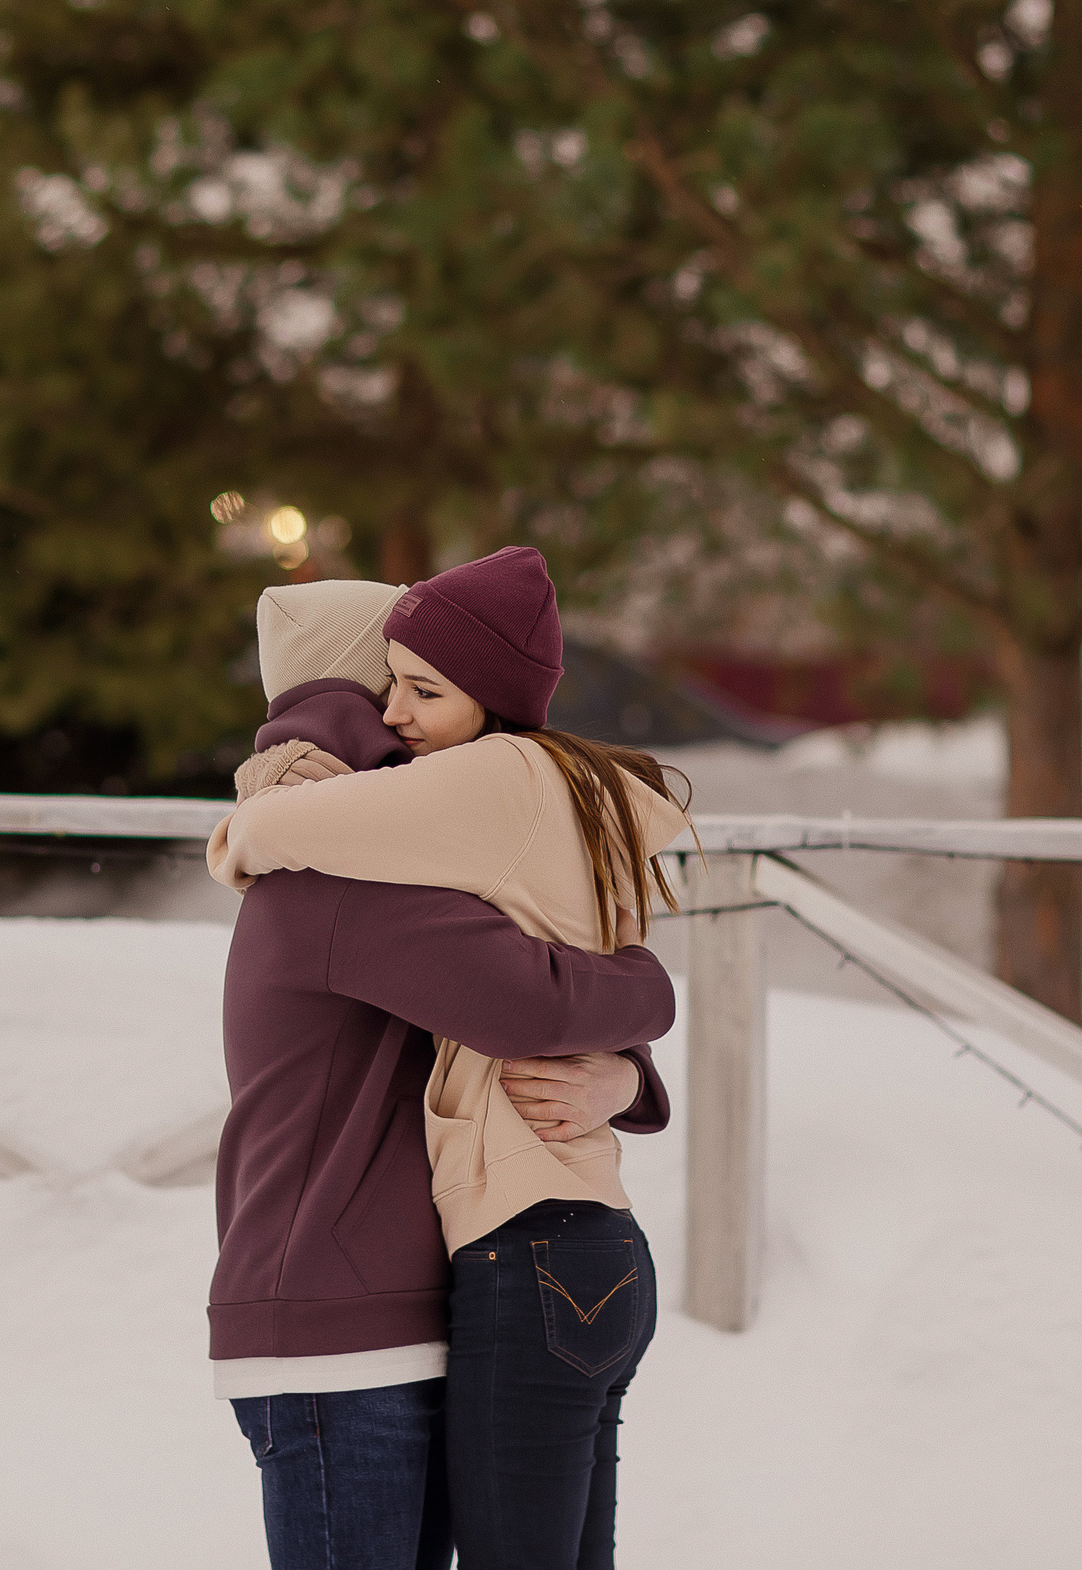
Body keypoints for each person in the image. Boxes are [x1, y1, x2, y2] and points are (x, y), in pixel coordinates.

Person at [213, 550, 691, 1570]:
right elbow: (527, 999)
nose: (401, 716)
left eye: (423, 688)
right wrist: (647, 992)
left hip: (404, 1301)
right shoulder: (335, 879)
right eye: (387, 687)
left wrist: (625, 1074)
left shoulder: (400, 856)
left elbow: (513, 994)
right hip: (342, 1325)